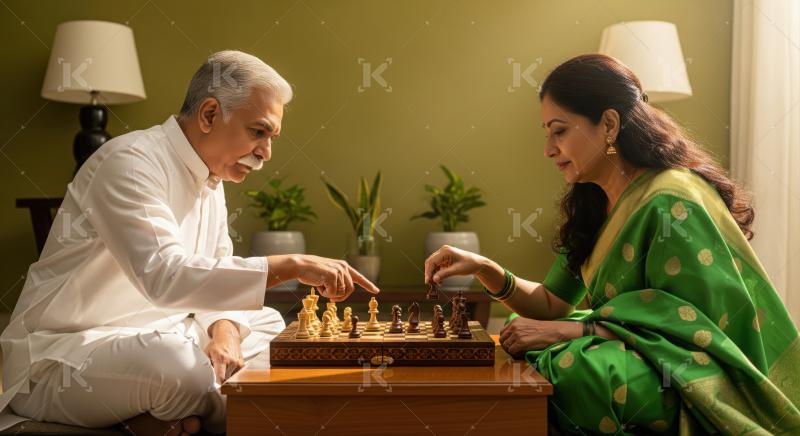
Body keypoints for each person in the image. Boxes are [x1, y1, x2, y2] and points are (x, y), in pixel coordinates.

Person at [0, 50, 379, 435]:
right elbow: (165, 276)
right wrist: (292, 265)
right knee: (176, 365)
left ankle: (177, 416)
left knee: (270, 326)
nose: (266, 152)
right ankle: (252, 412)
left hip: (164, 338)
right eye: (258, 132)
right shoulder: (130, 162)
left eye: (271, 137)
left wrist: (226, 336)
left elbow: (216, 272)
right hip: (67, 357)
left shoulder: (209, 178)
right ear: (210, 114)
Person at [424, 54, 799, 434]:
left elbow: (696, 329)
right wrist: (484, 268)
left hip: (691, 371)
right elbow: (552, 304)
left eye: (559, 131)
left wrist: (574, 331)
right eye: (546, 132)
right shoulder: (594, 204)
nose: (548, 149)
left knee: (582, 371)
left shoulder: (672, 200)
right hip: (636, 352)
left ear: (608, 124)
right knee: (530, 334)